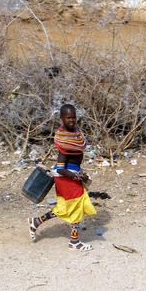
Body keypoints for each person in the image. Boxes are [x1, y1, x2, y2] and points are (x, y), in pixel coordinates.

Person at [28, 104, 96, 251]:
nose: (72, 120)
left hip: (71, 176)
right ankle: (74, 242)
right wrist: (76, 175)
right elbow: (60, 168)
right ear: (62, 118)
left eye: (74, 117)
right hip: (65, 178)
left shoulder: (75, 135)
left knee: (64, 207)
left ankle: (36, 221)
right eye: (68, 118)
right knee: (77, 206)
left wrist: (79, 173)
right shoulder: (64, 142)